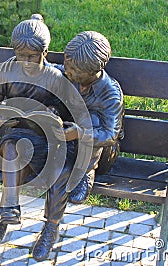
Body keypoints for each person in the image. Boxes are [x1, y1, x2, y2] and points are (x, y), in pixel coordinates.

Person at [0, 16, 92, 261]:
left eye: (32, 56)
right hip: (20, 135)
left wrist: (57, 120)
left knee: (61, 170)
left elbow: (78, 115)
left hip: (52, 142)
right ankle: (7, 210)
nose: (26, 62)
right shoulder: (8, 69)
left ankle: (51, 229)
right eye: (21, 55)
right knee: (11, 147)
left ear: (46, 53)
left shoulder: (56, 78)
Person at [53, 31, 124, 204]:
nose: (67, 71)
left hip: (101, 154)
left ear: (93, 71)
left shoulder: (110, 94)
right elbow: (50, 69)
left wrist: (79, 134)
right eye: (66, 64)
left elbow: (110, 136)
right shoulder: (70, 75)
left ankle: (85, 174)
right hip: (69, 142)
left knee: (92, 121)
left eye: (74, 70)